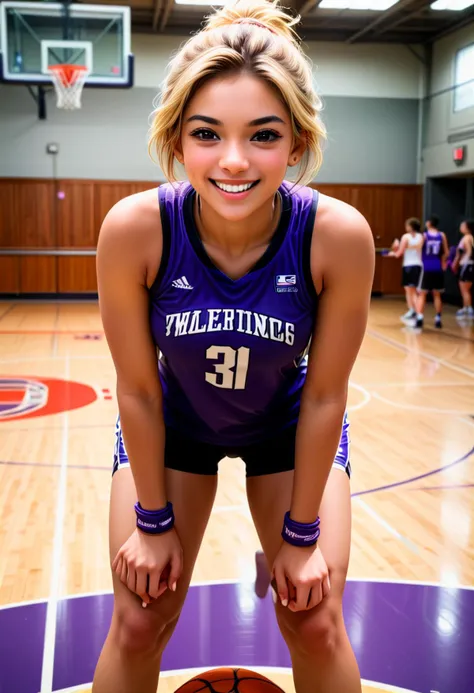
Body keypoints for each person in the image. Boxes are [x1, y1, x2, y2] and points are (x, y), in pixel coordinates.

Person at [93, 2, 374, 692]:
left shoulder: (337, 236)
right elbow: (136, 388)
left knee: (315, 616)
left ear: (299, 142)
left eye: (264, 135)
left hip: (286, 427)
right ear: (178, 141)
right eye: (208, 134)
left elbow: (326, 393)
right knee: (139, 615)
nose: (235, 160)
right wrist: (152, 521)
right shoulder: (137, 228)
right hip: (174, 426)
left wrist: (301, 538)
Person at [414, 214, 448, 330]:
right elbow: (446, 252)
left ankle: (419, 318)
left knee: (422, 294)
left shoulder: (424, 235)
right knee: (437, 295)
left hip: (426, 267)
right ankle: (438, 318)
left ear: (428, 223)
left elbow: (418, 248)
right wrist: (443, 262)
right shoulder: (441, 235)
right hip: (437, 267)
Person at [388, 217, 423, 322]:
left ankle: (415, 312)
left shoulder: (406, 237)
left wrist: (392, 252)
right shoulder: (421, 237)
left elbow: (399, 253)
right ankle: (415, 312)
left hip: (408, 266)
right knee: (415, 291)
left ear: (410, 226)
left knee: (409, 291)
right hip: (419, 265)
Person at [452, 219, 474, 319]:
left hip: (467, 265)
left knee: (464, 289)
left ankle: (469, 310)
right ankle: (465, 307)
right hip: (468, 265)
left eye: (462, 226)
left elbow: (469, 252)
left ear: (467, 227)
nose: (461, 227)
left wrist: (464, 263)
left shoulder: (467, 238)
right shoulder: (469, 237)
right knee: (466, 289)